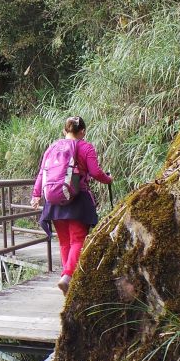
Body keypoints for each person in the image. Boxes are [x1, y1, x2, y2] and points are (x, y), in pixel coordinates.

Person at [31, 115, 113, 295]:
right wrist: (108, 179)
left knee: (64, 241)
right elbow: (95, 172)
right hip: (78, 198)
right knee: (78, 239)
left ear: (64, 131)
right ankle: (68, 276)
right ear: (82, 131)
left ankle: (65, 277)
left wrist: (36, 194)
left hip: (54, 201)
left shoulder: (52, 147)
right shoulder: (86, 147)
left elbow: (42, 173)